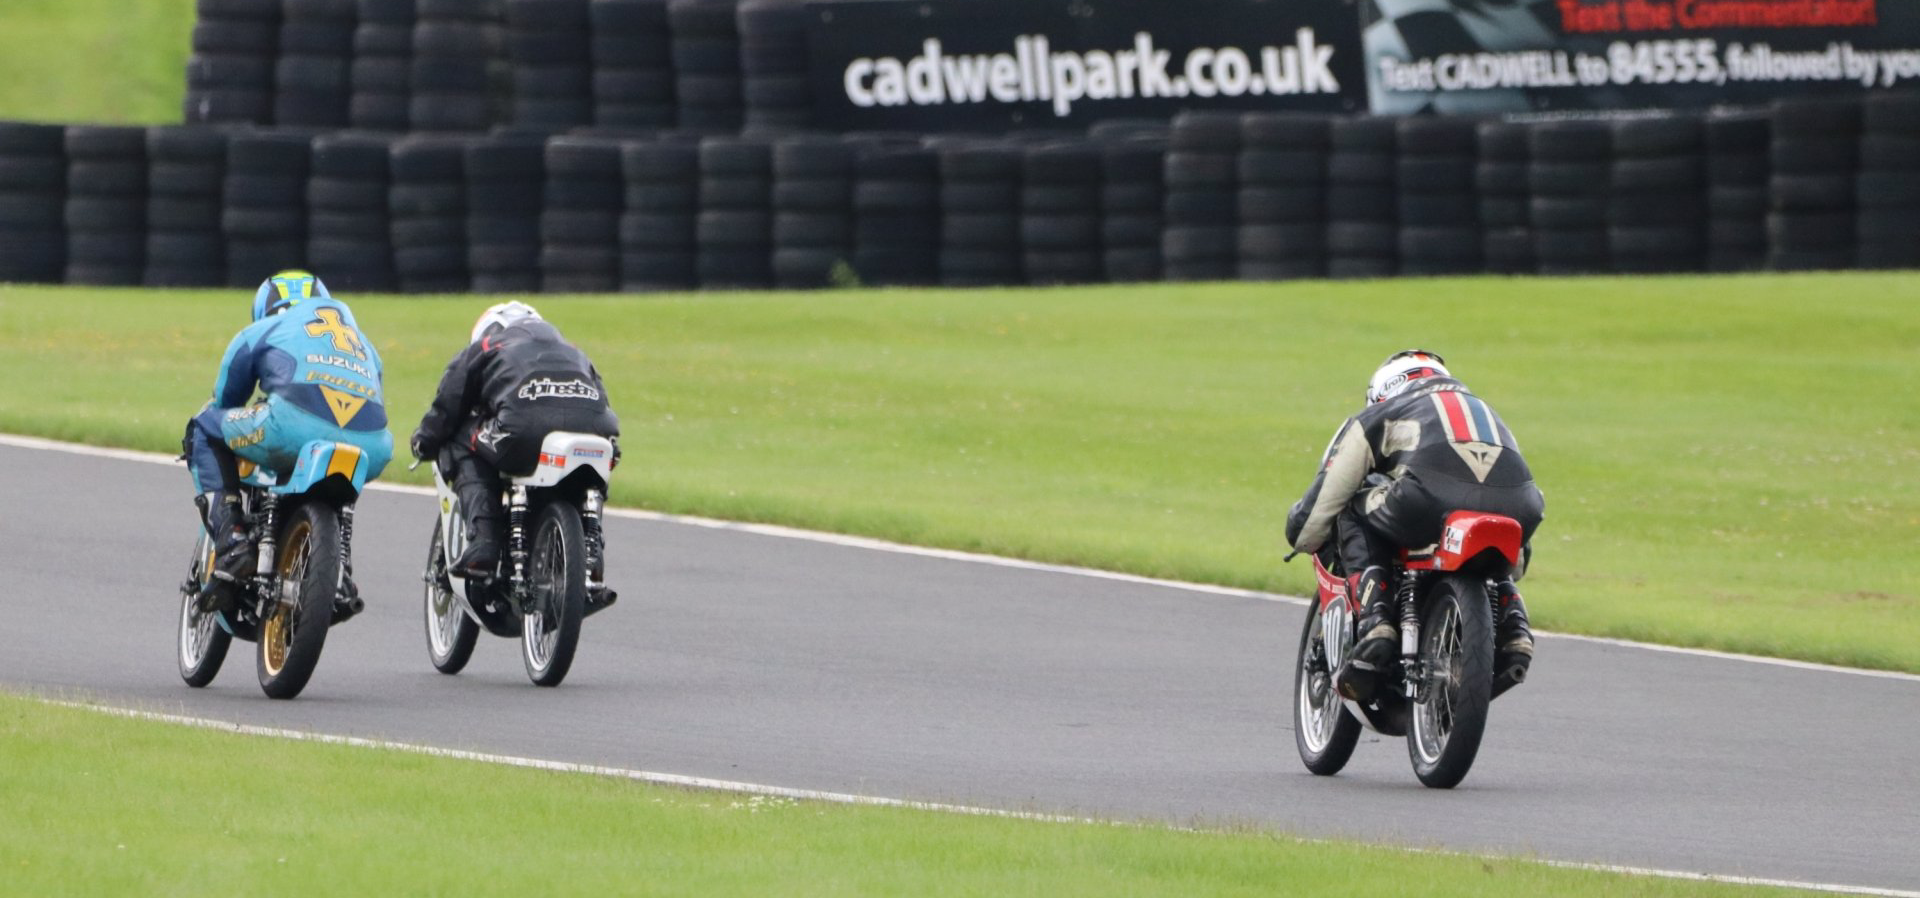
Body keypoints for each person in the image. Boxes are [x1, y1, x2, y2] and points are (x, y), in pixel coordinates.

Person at [1285, 350, 1541, 702]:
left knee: (1350, 509)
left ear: (1382, 390)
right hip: (1522, 505)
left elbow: (1323, 503)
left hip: (1425, 499)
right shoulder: (1487, 412)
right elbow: (1520, 558)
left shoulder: (1382, 412)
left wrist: (1300, 534)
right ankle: (1514, 620)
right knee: (1497, 530)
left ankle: (1377, 620)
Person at [185, 270, 394, 598]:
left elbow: (226, 400)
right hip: (375, 444)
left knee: (204, 426)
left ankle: (233, 542)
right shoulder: (363, 343)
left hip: (291, 427)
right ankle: (341, 565)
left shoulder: (263, 329)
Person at [410, 301, 620, 578]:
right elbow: (603, 404)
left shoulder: (486, 347)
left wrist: (424, 441)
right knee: (594, 468)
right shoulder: (576, 352)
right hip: (594, 432)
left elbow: (449, 404)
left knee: (459, 438)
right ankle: (590, 547)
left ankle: (484, 539)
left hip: (521, 430)